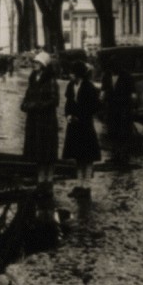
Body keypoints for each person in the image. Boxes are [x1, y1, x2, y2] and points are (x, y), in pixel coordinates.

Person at [21, 51, 61, 194]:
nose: (34, 65)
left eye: (37, 63)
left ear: (44, 65)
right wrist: (25, 105)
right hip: (34, 120)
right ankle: (40, 180)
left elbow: (54, 100)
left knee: (47, 151)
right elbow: (27, 95)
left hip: (46, 120)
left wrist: (38, 106)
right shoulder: (33, 78)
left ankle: (48, 181)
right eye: (34, 62)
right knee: (37, 151)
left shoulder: (50, 81)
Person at [62, 63, 102, 195]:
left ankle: (87, 186)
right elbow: (68, 102)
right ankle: (79, 184)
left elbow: (95, 106)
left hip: (85, 125)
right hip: (74, 125)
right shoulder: (70, 86)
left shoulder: (88, 87)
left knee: (87, 157)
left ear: (79, 74)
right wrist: (68, 115)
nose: (70, 75)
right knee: (78, 156)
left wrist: (81, 115)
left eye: (73, 73)